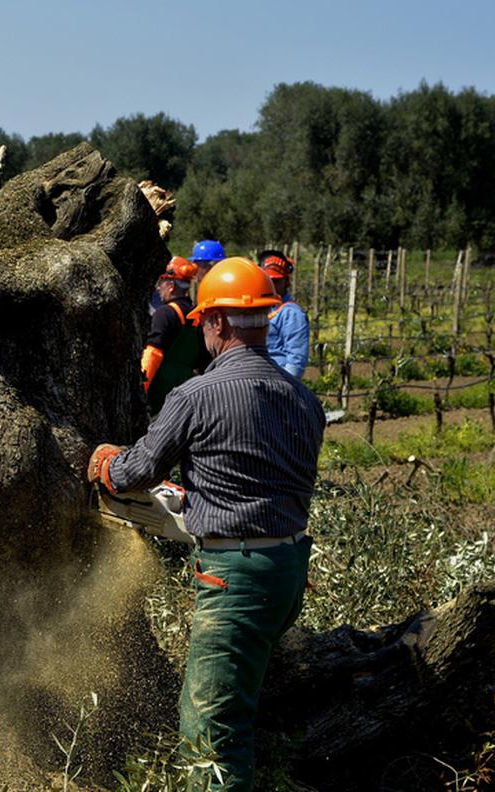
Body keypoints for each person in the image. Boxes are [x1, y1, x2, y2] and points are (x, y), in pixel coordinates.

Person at [87, 257, 325, 792]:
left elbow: (136, 471)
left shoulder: (196, 396)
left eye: (203, 325)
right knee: (244, 697)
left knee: (210, 731)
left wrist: (105, 462)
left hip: (235, 575)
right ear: (264, 319)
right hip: (288, 568)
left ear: (216, 323)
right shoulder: (304, 401)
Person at [142, 256, 206, 414]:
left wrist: (141, 388)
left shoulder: (165, 313)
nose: (158, 288)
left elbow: (153, 354)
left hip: (160, 389)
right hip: (189, 388)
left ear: (171, 286)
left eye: (160, 283)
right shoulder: (197, 314)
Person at [258, 250, 310, 379]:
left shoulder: (291, 313)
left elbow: (296, 362)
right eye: (267, 280)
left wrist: (284, 387)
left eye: (276, 281)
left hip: (277, 383)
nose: (271, 286)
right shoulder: (260, 308)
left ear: (286, 282)